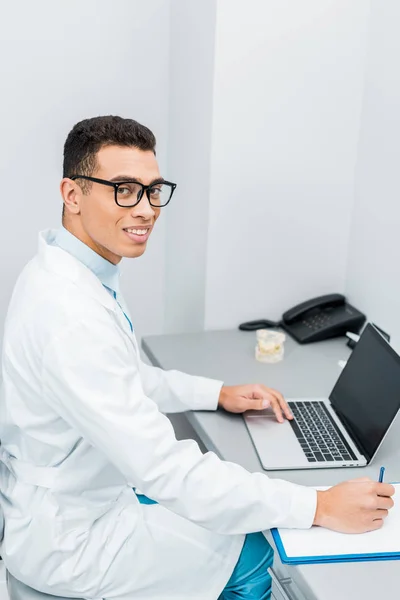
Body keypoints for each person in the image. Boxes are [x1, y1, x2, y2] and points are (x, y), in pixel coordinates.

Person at [0, 116, 394, 600]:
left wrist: (216, 394)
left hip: (72, 500)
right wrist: (318, 504)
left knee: (226, 505)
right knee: (253, 556)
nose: (145, 209)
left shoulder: (65, 271)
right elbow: (166, 470)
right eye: (123, 190)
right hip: (70, 539)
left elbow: (124, 379)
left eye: (153, 190)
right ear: (73, 193)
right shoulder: (69, 315)